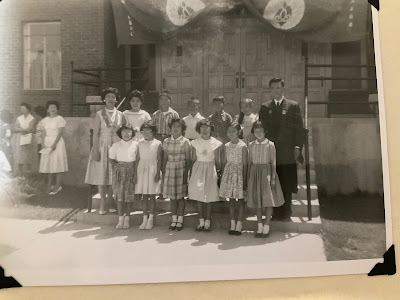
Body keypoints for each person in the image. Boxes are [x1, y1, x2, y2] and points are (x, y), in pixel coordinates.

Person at [258, 78, 304, 220]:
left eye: (279, 88)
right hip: (270, 151)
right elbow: (261, 130)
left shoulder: (293, 106)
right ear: (270, 90)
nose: (276, 91)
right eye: (273, 88)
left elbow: (299, 129)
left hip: (287, 151)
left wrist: (297, 146)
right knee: (272, 181)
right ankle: (274, 212)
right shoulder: (265, 107)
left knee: (286, 181)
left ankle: (286, 212)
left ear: (283, 89)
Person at [85, 87, 126, 214]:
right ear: (104, 99)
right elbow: (96, 133)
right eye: (108, 96)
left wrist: (118, 130)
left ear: (116, 99)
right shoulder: (99, 114)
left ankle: (111, 200)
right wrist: (95, 150)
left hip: (115, 147)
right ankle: (103, 202)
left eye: (113, 97)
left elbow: (124, 133)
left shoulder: (120, 115)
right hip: (102, 146)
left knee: (113, 176)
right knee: (102, 175)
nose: (111, 99)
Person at [247, 121, 284, 238]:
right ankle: (259, 226)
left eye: (260, 131)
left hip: (266, 174)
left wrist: (272, 178)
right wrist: (249, 177)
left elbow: (273, 163)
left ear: (265, 132)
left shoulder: (270, 145)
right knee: (257, 202)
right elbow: (250, 162)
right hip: (255, 174)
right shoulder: (251, 145)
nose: (258, 133)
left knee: (268, 202)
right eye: (256, 131)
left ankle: (266, 226)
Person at [188, 119, 223, 232]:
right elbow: (193, 158)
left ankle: (208, 221)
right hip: (198, 168)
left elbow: (218, 160)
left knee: (209, 196)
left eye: (207, 127)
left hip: (210, 168)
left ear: (210, 129)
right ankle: (201, 220)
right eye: (202, 127)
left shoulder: (216, 143)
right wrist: (191, 172)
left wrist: (219, 173)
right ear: (199, 129)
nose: (204, 129)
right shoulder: (195, 142)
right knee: (199, 195)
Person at [162, 118, 191, 231]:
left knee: (180, 197)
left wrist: (185, 174)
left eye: (178, 126)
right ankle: (174, 220)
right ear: (170, 128)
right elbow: (164, 159)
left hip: (181, 169)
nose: (175, 128)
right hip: (170, 169)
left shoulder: (185, 141)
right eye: (173, 126)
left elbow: (188, 160)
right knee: (172, 198)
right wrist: (163, 172)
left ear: (182, 129)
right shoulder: (166, 141)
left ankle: (180, 220)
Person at [219, 122, 248, 236]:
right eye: (229, 131)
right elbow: (224, 162)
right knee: (231, 200)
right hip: (229, 174)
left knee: (240, 200)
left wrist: (245, 180)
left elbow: (245, 165)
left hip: (239, 174)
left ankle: (239, 224)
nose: (231, 133)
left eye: (233, 131)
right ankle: (232, 224)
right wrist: (222, 177)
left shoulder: (243, 146)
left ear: (239, 132)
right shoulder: (226, 146)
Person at [109, 124, 138, 229]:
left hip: (131, 171)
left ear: (132, 133)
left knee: (129, 196)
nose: (126, 134)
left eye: (129, 131)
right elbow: (111, 159)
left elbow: (137, 160)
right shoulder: (116, 145)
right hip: (119, 172)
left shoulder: (136, 145)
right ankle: (120, 219)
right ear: (120, 133)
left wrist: (135, 173)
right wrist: (118, 168)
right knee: (120, 196)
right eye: (124, 132)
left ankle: (127, 219)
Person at [135, 120, 162, 230]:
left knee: (151, 195)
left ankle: (150, 219)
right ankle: (144, 218)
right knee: (144, 196)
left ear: (153, 132)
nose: (145, 133)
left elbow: (159, 160)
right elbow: (137, 160)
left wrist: (158, 173)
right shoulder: (139, 143)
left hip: (152, 169)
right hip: (142, 170)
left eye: (148, 131)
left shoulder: (158, 143)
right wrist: (135, 174)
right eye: (143, 131)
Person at [39, 101, 68, 194]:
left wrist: (54, 144)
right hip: (47, 143)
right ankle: (49, 185)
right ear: (47, 109)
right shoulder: (45, 120)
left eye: (54, 107)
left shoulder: (60, 119)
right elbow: (43, 133)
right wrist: (43, 143)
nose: (53, 109)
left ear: (57, 109)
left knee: (57, 165)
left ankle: (57, 186)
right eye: (51, 107)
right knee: (49, 165)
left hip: (57, 143)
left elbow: (59, 133)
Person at [14, 102, 37, 176]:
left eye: (23, 108)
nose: (22, 110)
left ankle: (28, 175)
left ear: (28, 109)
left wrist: (22, 130)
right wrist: (23, 130)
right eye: (21, 108)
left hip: (29, 139)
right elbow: (16, 128)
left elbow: (31, 129)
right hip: (20, 138)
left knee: (28, 156)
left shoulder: (32, 118)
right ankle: (20, 175)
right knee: (20, 156)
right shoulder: (19, 118)